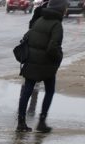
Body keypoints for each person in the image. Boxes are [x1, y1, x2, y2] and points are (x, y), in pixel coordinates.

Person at [16, 0, 66, 133]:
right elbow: (53, 47)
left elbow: (28, 37)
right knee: (49, 91)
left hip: (31, 62)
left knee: (27, 91)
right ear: (61, 9)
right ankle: (42, 122)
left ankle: (21, 122)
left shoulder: (40, 20)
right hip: (46, 65)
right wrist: (59, 57)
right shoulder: (57, 25)